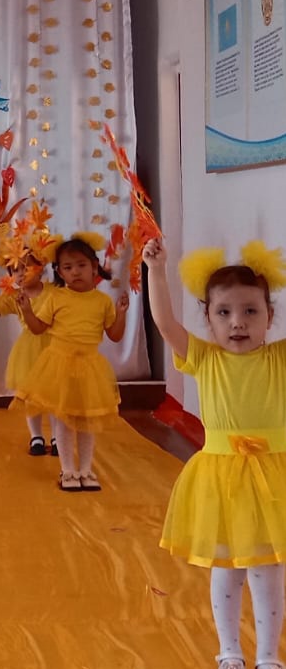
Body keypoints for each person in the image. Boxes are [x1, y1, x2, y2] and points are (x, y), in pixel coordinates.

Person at [146, 238, 286, 669]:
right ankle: (229, 651)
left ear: (269, 317)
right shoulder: (204, 358)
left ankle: (268, 656)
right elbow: (164, 322)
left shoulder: (280, 358)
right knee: (226, 568)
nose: (237, 322)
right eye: (223, 313)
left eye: (251, 311)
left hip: (273, 479)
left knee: (268, 570)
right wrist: (156, 271)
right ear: (207, 318)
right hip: (221, 479)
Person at [12, 235, 128, 491]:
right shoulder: (56, 297)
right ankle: (68, 471)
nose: (75, 271)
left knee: (86, 420)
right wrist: (27, 311)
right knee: (64, 420)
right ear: (59, 272)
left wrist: (121, 315)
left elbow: (115, 335)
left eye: (81, 265)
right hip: (59, 364)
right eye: (68, 267)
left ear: (94, 267)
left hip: (90, 367)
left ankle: (85, 470)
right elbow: (38, 329)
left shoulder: (102, 301)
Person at [0, 251, 55, 456]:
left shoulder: (54, 292)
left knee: (55, 395)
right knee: (30, 396)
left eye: (26, 267)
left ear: (41, 268)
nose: (20, 273)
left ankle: (57, 436)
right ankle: (36, 436)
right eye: (15, 270)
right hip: (28, 352)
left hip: (54, 348)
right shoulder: (16, 297)